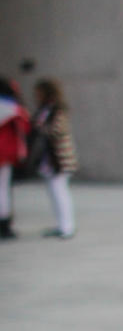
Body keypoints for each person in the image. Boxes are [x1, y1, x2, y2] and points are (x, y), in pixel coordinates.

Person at [31, 78, 79, 239]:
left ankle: (67, 227)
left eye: (39, 92)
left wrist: (40, 127)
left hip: (60, 157)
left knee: (60, 191)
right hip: (49, 158)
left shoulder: (59, 109)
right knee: (54, 192)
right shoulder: (45, 109)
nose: (36, 96)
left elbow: (57, 129)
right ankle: (61, 225)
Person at [0, 78, 31, 239]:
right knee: (3, 188)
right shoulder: (14, 108)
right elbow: (26, 126)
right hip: (5, 154)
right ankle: (4, 224)